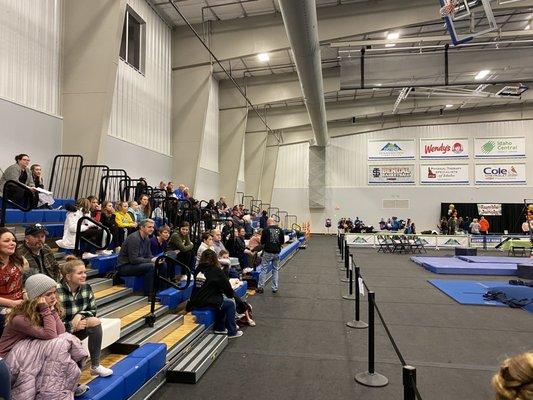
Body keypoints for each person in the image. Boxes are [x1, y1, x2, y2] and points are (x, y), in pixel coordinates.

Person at [0, 273, 89, 398]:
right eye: (48, 294)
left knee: (62, 341)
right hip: (10, 361)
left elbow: (61, 332)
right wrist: (46, 310)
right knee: (58, 345)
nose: (53, 297)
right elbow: (50, 335)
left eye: (54, 292)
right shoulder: (19, 318)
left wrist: (52, 309)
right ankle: (53, 393)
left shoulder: (42, 310)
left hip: (28, 356)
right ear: (36, 298)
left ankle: (64, 387)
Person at [56, 256, 113, 377]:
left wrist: (79, 315)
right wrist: (71, 326)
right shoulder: (56, 291)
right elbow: (53, 321)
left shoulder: (86, 288)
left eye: (85, 272)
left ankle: (95, 366)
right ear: (68, 276)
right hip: (59, 333)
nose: (84, 276)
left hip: (78, 327)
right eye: (80, 273)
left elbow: (93, 310)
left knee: (95, 321)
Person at [188, 249, 243, 339]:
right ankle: (232, 332)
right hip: (206, 301)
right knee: (229, 303)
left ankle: (220, 328)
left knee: (221, 301)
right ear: (215, 259)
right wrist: (230, 295)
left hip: (195, 301)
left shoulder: (198, 269)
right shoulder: (216, 271)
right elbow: (227, 287)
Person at [116, 219, 158, 296]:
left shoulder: (147, 239)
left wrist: (156, 260)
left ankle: (160, 291)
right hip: (125, 266)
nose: (152, 229)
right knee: (151, 266)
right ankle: (148, 294)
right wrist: (151, 260)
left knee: (162, 264)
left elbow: (149, 255)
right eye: (149, 227)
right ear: (142, 227)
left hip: (136, 264)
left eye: (152, 227)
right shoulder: (134, 238)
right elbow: (133, 260)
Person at [0, 228, 28, 336]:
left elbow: (24, 282)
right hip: (4, 305)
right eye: (6, 241)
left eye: (13, 240)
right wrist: (12, 304)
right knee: (16, 319)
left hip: (20, 301)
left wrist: (25, 293)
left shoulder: (21, 261)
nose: (12, 243)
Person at [257, 218, 284, 294]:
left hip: (268, 252)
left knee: (264, 269)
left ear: (268, 222)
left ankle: (261, 287)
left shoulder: (265, 230)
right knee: (275, 270)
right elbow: (282, 241)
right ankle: (275, 288)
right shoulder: (280, 230)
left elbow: (262, 242)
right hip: (276, 252)